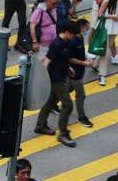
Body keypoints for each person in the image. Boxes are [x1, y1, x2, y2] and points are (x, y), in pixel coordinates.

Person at [34, 20, 80, 148]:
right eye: (73, 34)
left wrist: (68, 67)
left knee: (50, 101)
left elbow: (62, 58)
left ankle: (40, 125)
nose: (74, 37)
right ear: (66, 32)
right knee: (68, 105)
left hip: (60, 75)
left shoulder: (65, 42)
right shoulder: (57, 44)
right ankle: (63, 134)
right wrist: (42, 79)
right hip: (55, 80)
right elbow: (47, 61)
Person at [95, 0, 118, 85]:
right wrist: (112, 17)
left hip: (115, 28)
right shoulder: (107, 1)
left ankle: (94, 64)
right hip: (106, 28)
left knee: (105, 49)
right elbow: (99, 15)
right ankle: (102, 75)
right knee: (105, 51)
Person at [68, 19, 94, 127]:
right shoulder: (73, 40)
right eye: (86, 28)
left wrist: (87, 58)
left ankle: (51, 104)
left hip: (79, 70)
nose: (87, 30)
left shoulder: (80, 37)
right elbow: (69, 58)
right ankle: (82, 117)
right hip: (74, 72)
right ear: (81, 27)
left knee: (67, 89)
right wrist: (84, 63)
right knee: (81, 95)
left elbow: (81, 52)